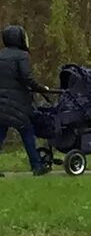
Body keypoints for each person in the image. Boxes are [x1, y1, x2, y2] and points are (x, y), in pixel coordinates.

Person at [0, 24, 51, 177]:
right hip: (18, 104)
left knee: (0, 135)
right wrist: (42, 88)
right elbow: (27, 78)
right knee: (28, 133)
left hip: (1, 103)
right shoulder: (22, 56)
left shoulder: (1, 55)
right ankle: (36, 166)